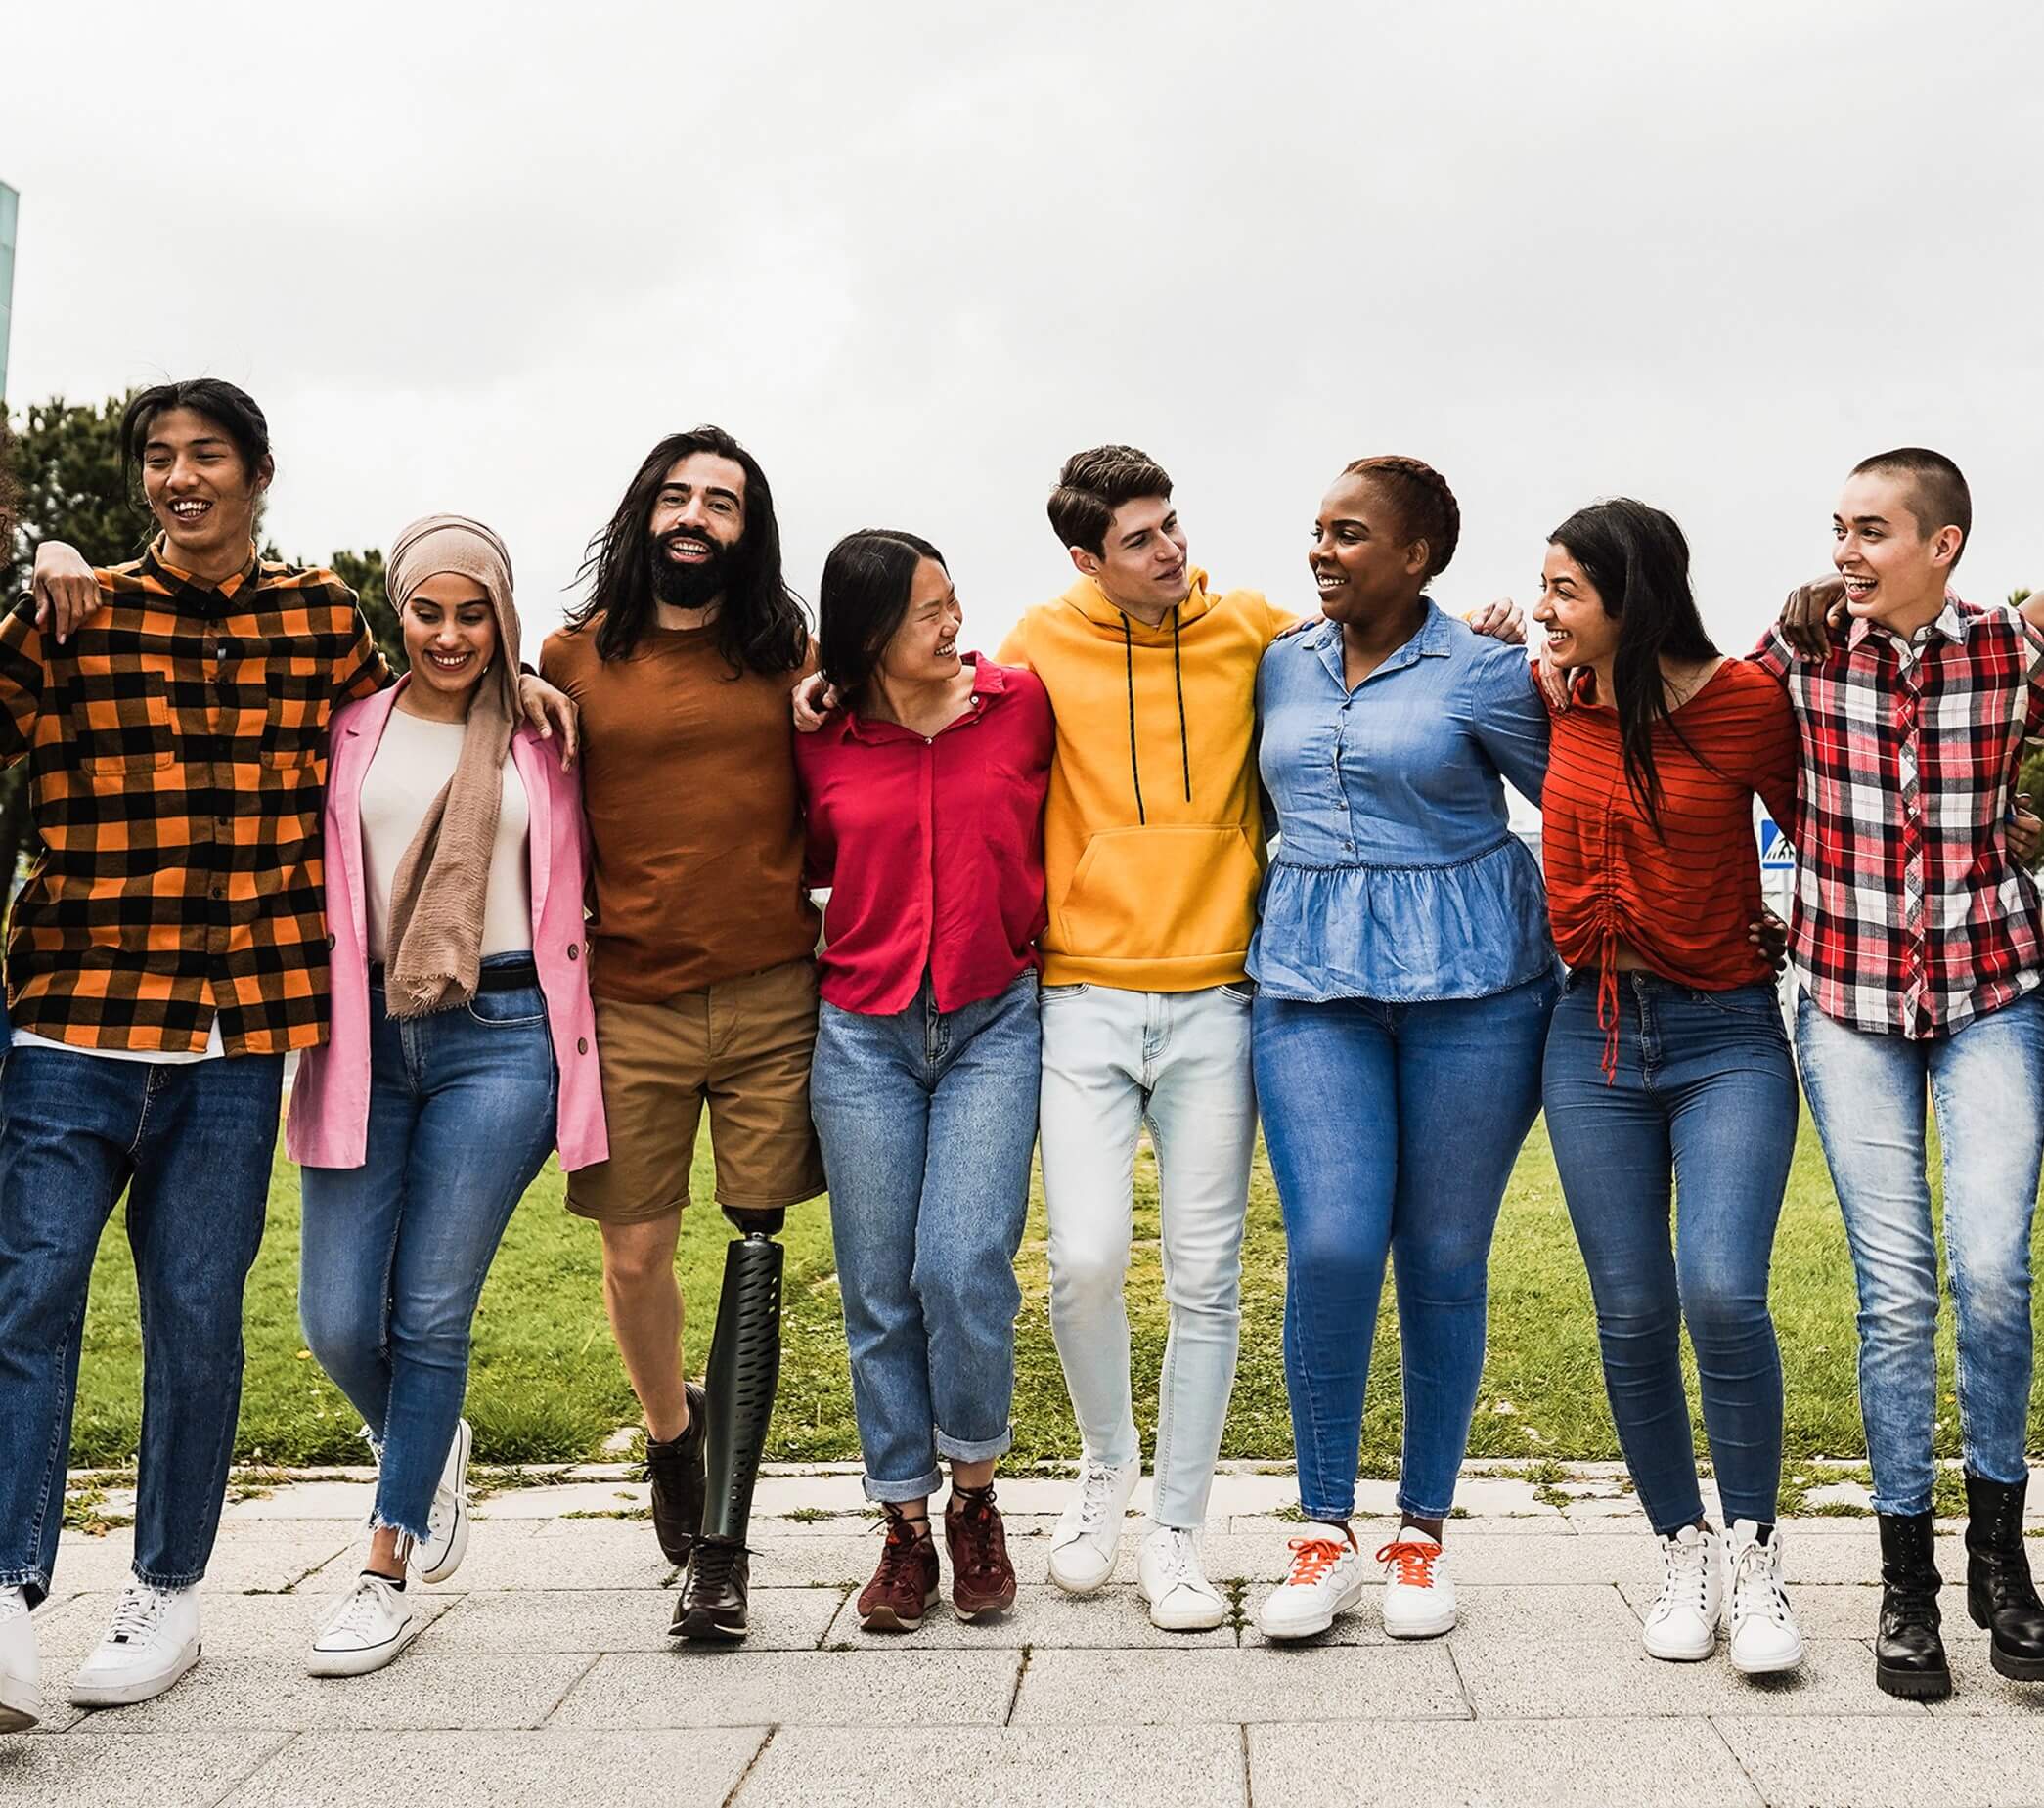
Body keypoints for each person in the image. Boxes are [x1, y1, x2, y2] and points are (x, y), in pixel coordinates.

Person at [0, 383, 573, 1732]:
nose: (179, 479)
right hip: (76, 1016)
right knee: (27, 1307)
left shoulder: (320, 620)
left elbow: (416, 710)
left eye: (206, 457)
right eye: (159, 459)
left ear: (259, 472)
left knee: (196, 1320)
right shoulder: (79, 612)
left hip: (241, 1030)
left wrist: (516, 683)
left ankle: (168, 1592)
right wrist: (38, 570)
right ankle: (13, 1597)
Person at [285, 515, 606, 1675]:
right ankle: (428, 1440)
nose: (452, 634)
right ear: (397, 611)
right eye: (430, 611)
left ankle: (385, 1558)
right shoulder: (346, 730)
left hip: (504, 1035)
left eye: (476, 614)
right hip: (365, 1031)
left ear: (503, 617)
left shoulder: (541, 732)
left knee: (428, 1312)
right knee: (334, 1318)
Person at [1249, 458, 1558, 1643]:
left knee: (1438, 1255)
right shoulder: (1277, 660)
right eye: (1316, 530)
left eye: (1350, 534)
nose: (1322, 550)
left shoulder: (1481, 672)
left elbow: (1575, 799)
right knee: (1329, 1243)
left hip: (1475, 992)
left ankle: (1420, 1533)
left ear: (1418, 555)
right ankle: (1321, 1530)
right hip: (1311, 988)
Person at [1765, 450, 2044, 1699]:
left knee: (1990, 1269)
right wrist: (1546, 654)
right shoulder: (1802, 655)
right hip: (1848, 1000)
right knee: (1894, 1292)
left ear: (1941, 545)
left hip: (1994, 988)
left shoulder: (2012, 652)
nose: (1842, 552)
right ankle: (1905, 1585)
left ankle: (1999, 1553)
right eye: (1835, 530)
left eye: (1868, 531)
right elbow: (1669, 699)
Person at [541, 426, 823, 1644]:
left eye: (722, 501)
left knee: (753, 1253)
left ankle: (722, 1548)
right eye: (677, 495)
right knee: (634, 1257)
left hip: (771, 994)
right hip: (630, 999)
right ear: (643, 513)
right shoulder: (570, 659)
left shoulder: (791, 658)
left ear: (749, 530)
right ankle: (673, 1431)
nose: (696, 515)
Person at [1534, 498, 1805, 1675]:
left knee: (1721, 1292)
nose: (1543, 611)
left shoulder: (1746, 704)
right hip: (1588, 1033)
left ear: (1628, 596)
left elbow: (1828, 829)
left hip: (1725, 1035)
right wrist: (1524, 638)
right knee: (1631, 1310)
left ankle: (1754, 1554)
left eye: (1563, 592)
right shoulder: (1554, 695)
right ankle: (1678, 1545)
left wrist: (1789, 919)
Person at [796, 530, 1052, 1632]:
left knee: (961, 1265)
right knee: (877, 1288)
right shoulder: (815, 734)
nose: (952, 627)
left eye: (951, 602)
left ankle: (975, 1499)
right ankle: (902, 1525)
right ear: (864, 640)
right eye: (924, 614)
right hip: (861, 1033)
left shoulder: (1020, 705)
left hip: (995, 1017)